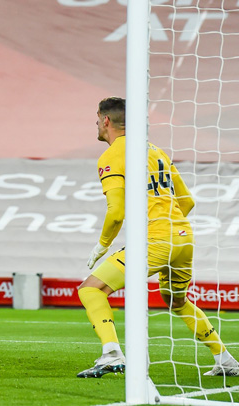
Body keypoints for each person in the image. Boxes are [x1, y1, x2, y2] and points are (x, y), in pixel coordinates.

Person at [77, 97, 239, 377]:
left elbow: (116, 212)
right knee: (177, 301)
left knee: (91, 289)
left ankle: (112, 353)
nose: (96, 122)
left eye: (96, 117)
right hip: (183, 237)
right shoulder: (155, 151)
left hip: (156, 240)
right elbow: (186, 201)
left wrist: (102, 246)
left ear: (106, 120)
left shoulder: (113, 155)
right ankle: (225, 359)